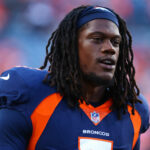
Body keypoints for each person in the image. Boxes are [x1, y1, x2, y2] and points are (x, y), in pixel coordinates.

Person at [0, 5, 149, 150]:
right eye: (97, 39)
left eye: (116, 42)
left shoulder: (132, 109)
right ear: (70, 46)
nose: (110, 48)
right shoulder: (31, 94)